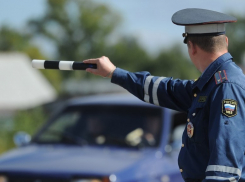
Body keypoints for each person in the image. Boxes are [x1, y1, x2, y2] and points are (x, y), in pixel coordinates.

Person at [83, 8, 245, 182]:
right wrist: (114, 73)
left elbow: (224, 170)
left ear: (192, 47)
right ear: (225, 41)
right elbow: (166, 90)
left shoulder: (225, 86)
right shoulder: (213, 83)